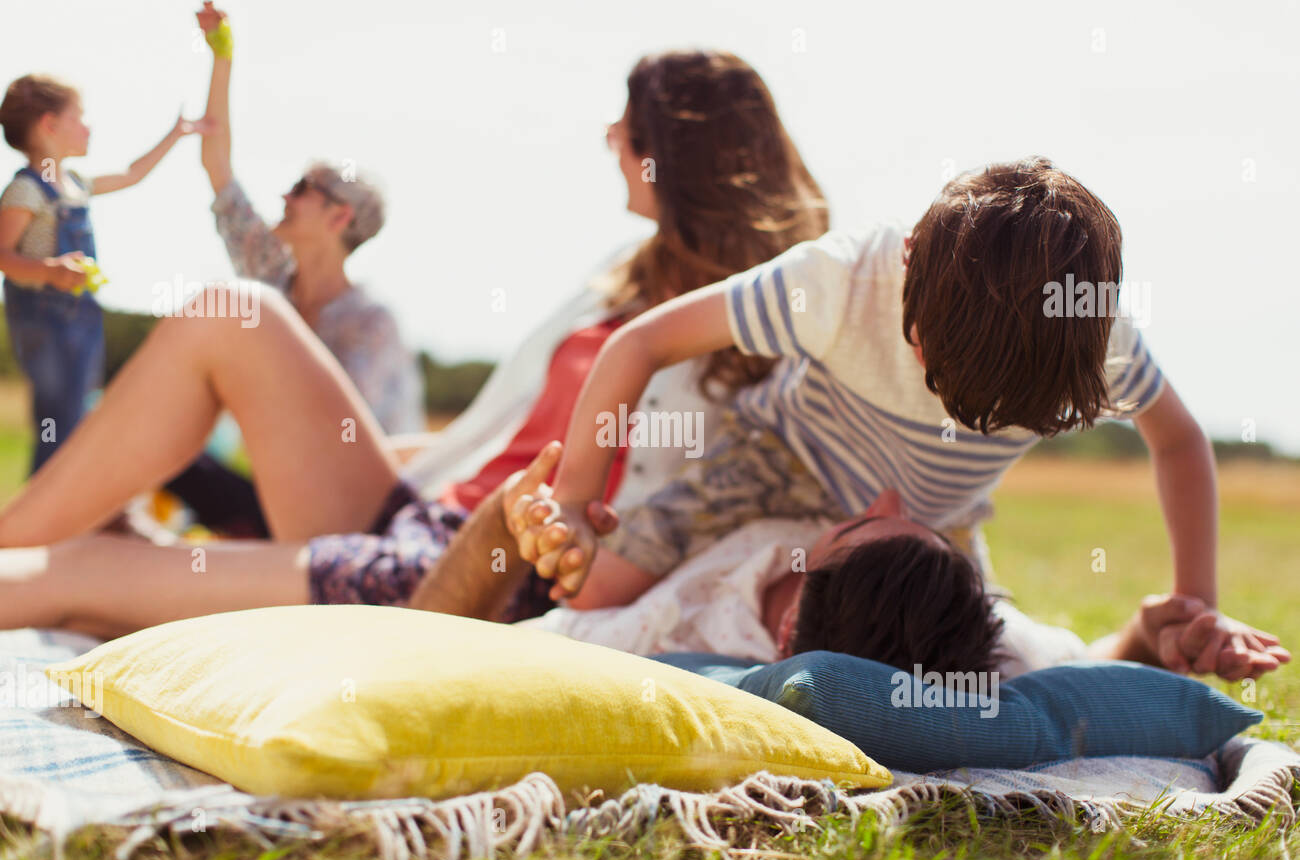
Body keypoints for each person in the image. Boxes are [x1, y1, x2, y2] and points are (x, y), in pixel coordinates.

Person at [0, 49, 829, 635]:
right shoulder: (625, 280)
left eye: (628, 129)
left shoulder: (762, 339)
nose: (611, 139)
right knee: (233, 308)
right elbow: (492, 437)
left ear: (676, 158)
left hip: (471, 578)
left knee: (79, 576)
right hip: (423, 513)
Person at [508, 157, 1280, 677]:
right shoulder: (839, 280)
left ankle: (1148, 638)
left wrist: (1195, 602)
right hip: (780, 460)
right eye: (931, 362)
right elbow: (641, 343)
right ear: (907, 262)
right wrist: (573, 501)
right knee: (593, 598)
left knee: (972, 670)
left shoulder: (1087, 328)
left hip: (928, 521)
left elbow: (1177, 441)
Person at [412, 445, 1286, 682]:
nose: (889, 501)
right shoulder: (979, 635)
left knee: (494, 518)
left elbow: (448, 654)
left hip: (473, 552)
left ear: (789, 631)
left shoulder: (653, 636)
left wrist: (512, 523)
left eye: (861, 529)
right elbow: (1081, 664)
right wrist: (1150, 628)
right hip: (631, 522)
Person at [159, 4, 424, 536]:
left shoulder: (370, 323)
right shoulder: (271, 276)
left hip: (351, 522)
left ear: (339, 216)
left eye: (302, 189)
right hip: (275, 500)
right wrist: (221, 55)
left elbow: (352, 450)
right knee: (160, 446)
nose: (284, 194)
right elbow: (219, 167)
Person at [0, 74, 205, 472]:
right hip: (45, 323)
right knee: (55, 422)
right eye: (80, 117)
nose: (88, 127)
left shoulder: (75, 184)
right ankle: (38, 513)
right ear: (50, 125)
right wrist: (50, 271)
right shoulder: (26, 191)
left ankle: (63, 510)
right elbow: (2, 255)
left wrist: (176, 134)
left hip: (81, 321)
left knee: (75, 418)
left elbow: (132, 174)